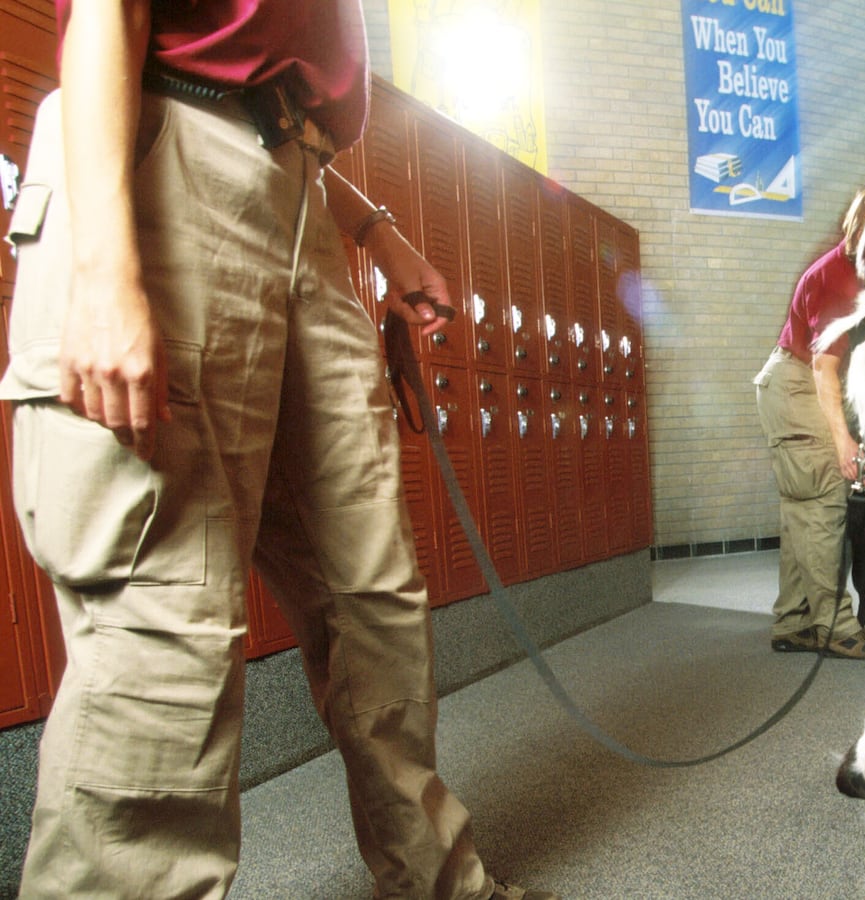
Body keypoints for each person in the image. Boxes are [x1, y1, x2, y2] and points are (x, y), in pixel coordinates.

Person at [0, 3, 548, 897]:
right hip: (159, 158)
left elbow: (271, 81)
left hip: (299, 184)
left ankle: (443, 886)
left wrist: (373, 227)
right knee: (163, 615)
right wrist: (103, 273)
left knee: (372, 600)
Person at [753, 186, 865, 659]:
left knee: (800, 511)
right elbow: (824, 368)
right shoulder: (837, 279)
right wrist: (844, 440)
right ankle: (834, 627)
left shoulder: (861, 272)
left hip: (789, 383)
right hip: (797, 385)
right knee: (826, 498)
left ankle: (794, 621)